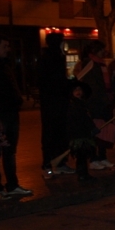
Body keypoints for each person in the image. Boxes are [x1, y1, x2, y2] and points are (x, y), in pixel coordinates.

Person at [0, 38, 33, 200]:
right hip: (1, 116)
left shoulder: (4, 65)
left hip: (10, 114)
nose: (8, 49)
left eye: (8, 46)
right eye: (4, 46)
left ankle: (12, 185)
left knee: (9, 151)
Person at [37, 31, 74, 179]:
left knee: (53, 134)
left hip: (52, 103)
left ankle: (53, 163)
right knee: (55, 134)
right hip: (55, 103)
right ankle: (53, 164)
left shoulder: (49, 57)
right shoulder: (53, 58)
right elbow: (56, 82)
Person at [75, 40, 115, 170]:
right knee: (94, 131)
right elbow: (90, 85)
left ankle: (102, 157)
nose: (105, 51)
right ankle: (93, 158)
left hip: (103, 103)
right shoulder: (90, 63)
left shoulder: (101, 64)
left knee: (103, 131)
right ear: (96, 50)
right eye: (103, 49)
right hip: (94, 104)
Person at [66, 78, 98, 182]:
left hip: (82, 134)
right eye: (75, 90)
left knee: (83, 156)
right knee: (81, 156)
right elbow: (83, 119)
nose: (78, 92)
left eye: (79, 89)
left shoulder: (81, 103)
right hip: (79, 136)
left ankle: (83, 174)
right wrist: (92, 128)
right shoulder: (75, 105)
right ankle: (82, 174)